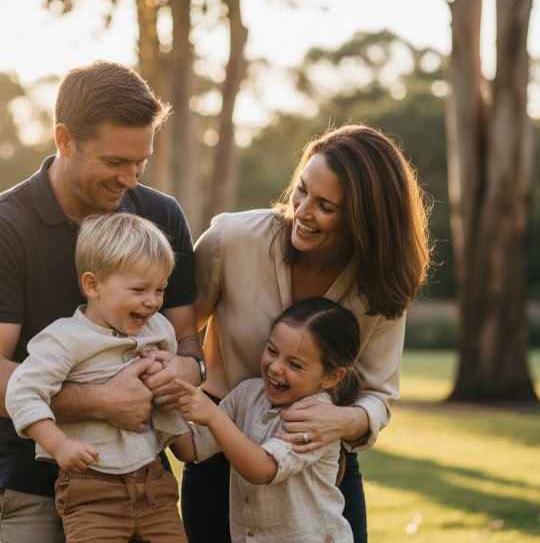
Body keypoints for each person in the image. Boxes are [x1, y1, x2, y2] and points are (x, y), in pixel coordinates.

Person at [0, 60, 205, 543]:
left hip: (142, 484)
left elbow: (190, 340)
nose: (131, 180)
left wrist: (184, 371)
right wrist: (101, 402)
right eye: (114, 163)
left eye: (141, 163)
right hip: (33, 485)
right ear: (64, 140)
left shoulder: (160, 216)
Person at [181, 124, 432, 543]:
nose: (301, 211)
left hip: (318, 466)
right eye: (301, 191)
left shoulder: (379, 283)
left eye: (326, 206)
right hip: (219, 455)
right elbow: (179, 331)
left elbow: (378, 396)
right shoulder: (232, 240)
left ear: (364, 219)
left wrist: (339, 420)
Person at [5, 213, 188, 543]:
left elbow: (172, 395)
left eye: (160, 289)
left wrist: (169, 379)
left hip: (154, 484)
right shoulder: (66, 339)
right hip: (91, 489)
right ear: (93, 285)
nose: (153, 301)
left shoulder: (160, 330)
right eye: (138, 289)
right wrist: (58, 444)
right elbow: (22, 391)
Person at [171, 297, 362, 543]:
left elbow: (263, 470)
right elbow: (190, 448)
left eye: (294, 364)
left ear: (331, 377)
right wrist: (170, 400)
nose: (275, 368)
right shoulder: (246, 395)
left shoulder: (317, 418)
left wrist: (213, 416)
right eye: (272, 350)